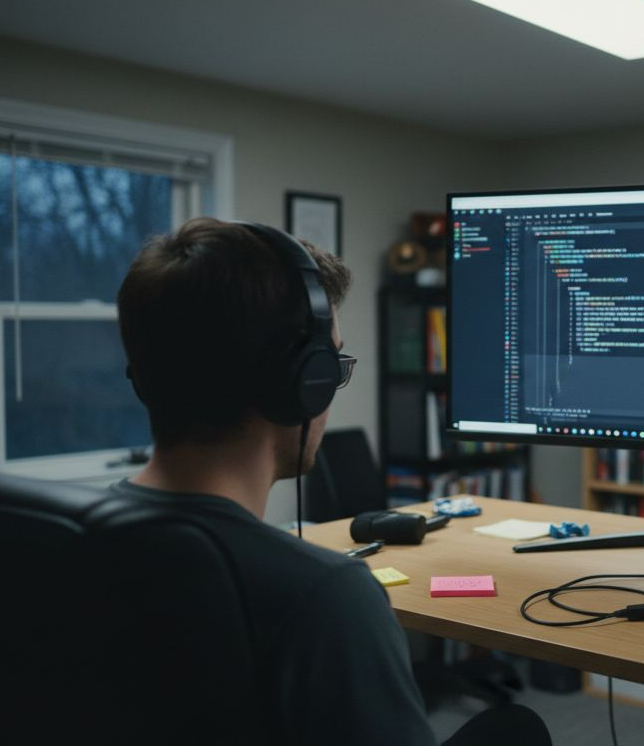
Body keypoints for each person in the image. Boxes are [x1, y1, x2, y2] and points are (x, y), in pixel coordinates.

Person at [114, 218, 550, 746]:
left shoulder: (68, 542)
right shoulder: (325, 597)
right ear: (303, 383)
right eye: (332, 364)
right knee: (516, 730)